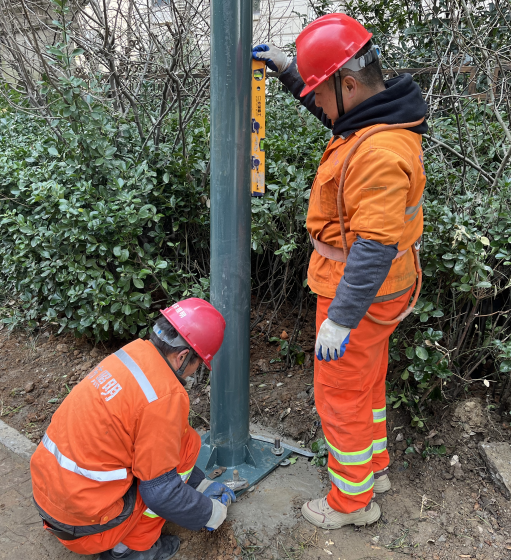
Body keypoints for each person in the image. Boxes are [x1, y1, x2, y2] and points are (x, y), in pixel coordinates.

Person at [253, 13, 428, 530]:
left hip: (359, 293)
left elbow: (373, 244)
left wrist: (342, 318)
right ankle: (373, 468)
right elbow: (332, 110)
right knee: (368, 382)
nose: (319, 104)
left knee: (341, 395)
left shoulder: (378, 151)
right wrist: (290, 70)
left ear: (348, 83)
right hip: (383, 293)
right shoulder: (377, 116)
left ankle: (352, 503)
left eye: (320, 91)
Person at [29, 298, 236, 560]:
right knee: (188, 446)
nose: (194, 373)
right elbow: (162, 494)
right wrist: (209, 513)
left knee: (178, 441)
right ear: (183, 356)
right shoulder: (164, 396)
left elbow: (148, 445)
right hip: (87, 527)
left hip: (54, 502)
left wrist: (199, 484)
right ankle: (130, 549)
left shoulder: (133, 355)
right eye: (197, 366)